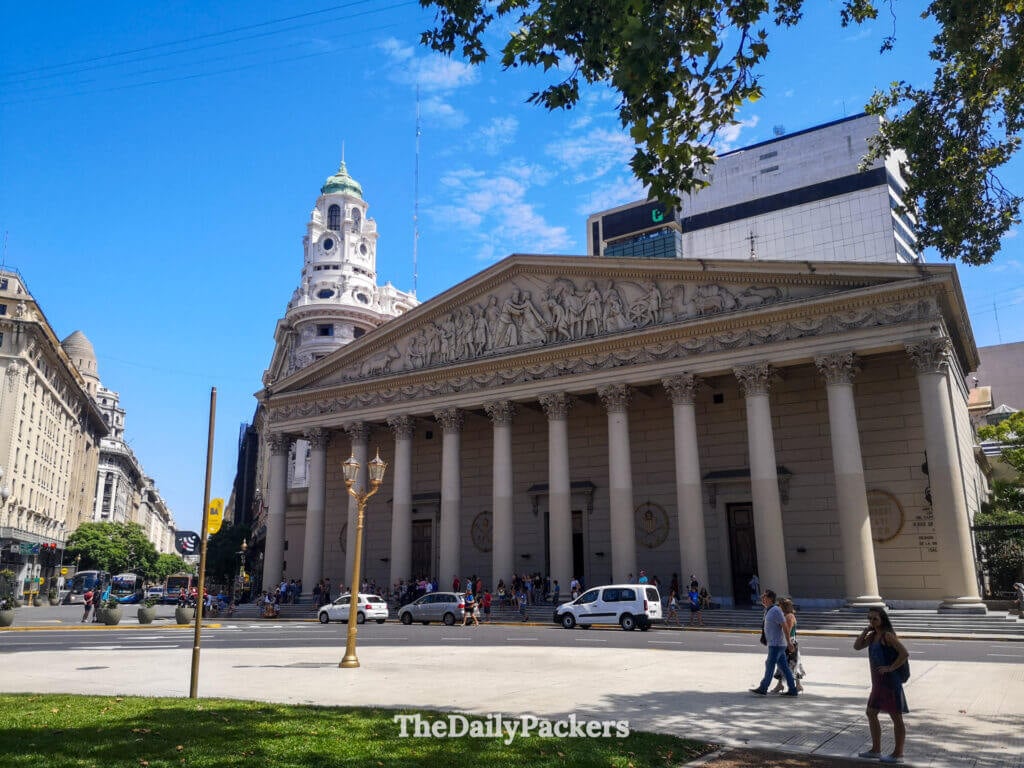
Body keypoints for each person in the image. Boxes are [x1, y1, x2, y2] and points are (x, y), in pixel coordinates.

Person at [854, 607, 909, 764]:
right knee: (871, 713)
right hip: (877, 683)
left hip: (889, 682)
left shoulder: (887, 636)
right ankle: (876, 750)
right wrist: (865, 631)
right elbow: (857, 646)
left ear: (882, 619)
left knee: (896, 717)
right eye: (869, 619)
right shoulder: (873, 636)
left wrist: (890, 668)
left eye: (875, 619)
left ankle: (898, 754)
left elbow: (904, 653)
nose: (872, 622)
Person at [750, 589, 798, 696]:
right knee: (784, 668)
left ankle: (763, 687)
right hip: (775, 644)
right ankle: (793, 690)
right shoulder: (770, 610)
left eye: (765, 597)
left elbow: (785, 626)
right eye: (762, 597)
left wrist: (789, 642)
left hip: (777, 644)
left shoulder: (775, 610)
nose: (762, 599)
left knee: (770, 665)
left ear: (771, 599)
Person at [770, 597, 804, 693]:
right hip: (787, 642)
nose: (778, 607)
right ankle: (787, 685)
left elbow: (787, 631)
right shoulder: (786, 615)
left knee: (788, 665)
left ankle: (794, 686)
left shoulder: (789, 616)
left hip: (788, 642)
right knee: (787, 664)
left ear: (784, 607)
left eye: (780, 606)